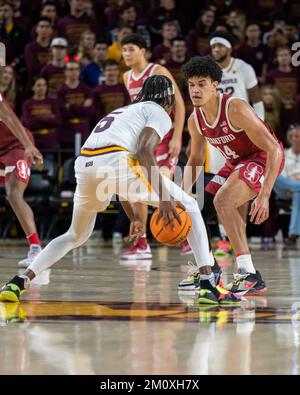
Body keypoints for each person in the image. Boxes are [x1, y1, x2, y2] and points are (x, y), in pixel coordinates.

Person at [0, 75, 237, 305]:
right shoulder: (158, 112)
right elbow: (143, 153)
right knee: (191, 204)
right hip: (116, 162)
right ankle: (208, 283)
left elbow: (121, 172)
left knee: (75, 235)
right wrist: (164, 200)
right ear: (168, 100)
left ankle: (20, 280)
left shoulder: (120, 112)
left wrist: (134, 217)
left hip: (86, 165)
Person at [179, 56, 284, 300]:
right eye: (191, 84)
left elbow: (274, 149)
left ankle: (250, 275)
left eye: (201, 84)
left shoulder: (235, 108)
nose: (195, 90)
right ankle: (210, 267)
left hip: (263, 158)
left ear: (215, 85)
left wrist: (264, 194)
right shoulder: (195, 119)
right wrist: (181, 195)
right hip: (235, 163)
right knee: (195, 210)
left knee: (223, 201)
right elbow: (195, 159)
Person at [120, 33, 185, 260]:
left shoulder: (158, 71)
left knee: (162, 184)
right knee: (136, 187)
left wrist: (177, 136)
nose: (126, 54)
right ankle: (142, 243)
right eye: (124, 49)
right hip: (144, 140)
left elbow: (180, 104)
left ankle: (186, 233)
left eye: (130, 48)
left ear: (143, 51)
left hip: (165, 136)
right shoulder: (126, 76)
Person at [0, 91, 43, 268]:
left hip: (16, 144)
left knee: (14, 193)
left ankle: (35, 248)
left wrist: (27, 145)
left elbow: (8, 116)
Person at [274, 125, 300, 246]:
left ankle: (293, 234)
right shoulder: (283, 153)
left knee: (298, 194)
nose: (298, 139)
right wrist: (292, 183)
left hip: (295, 190)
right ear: (290, 138)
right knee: (274, 175)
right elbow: (281, 174)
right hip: (283, 188)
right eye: (296, 136)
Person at [21, 77, 61, 154]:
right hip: (33, 142)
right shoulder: (27, 104)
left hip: (50, 142)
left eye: (44, 85)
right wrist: (48, 119)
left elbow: (57, 122)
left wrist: (36, 118)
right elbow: (28, 123)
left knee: (49, 166)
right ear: (33, 87)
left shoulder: (52, 102)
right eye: (39, 85)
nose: (42, 88)